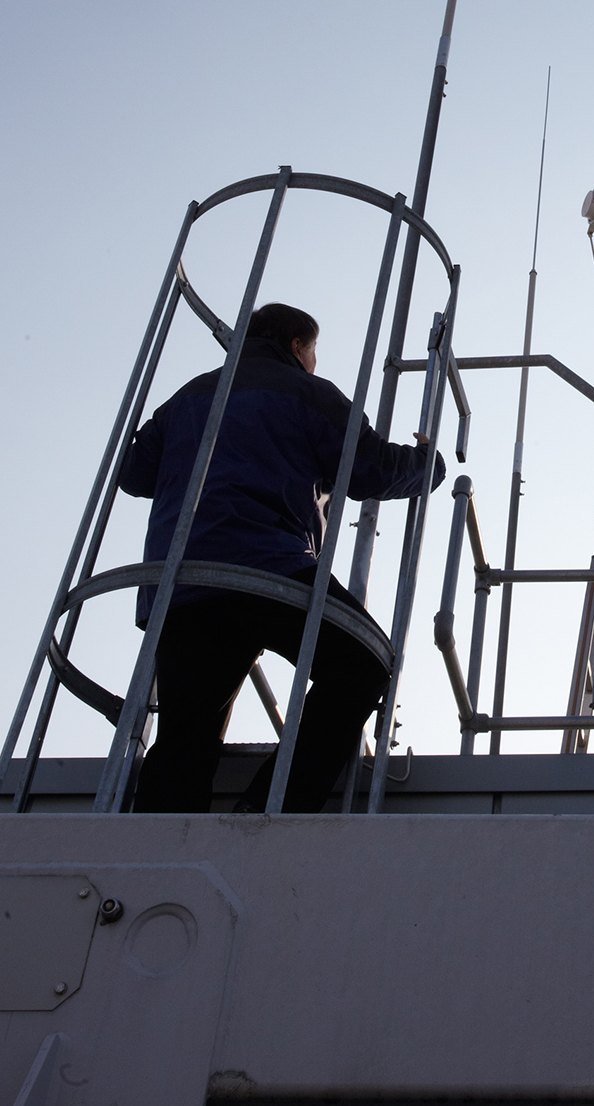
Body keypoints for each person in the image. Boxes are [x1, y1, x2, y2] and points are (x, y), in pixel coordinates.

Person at [118, 301, 443, 813]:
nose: (315, 360)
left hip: (179, 584)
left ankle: (155, 859)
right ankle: (272, 810)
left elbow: (134, 473)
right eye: (314, 350)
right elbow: (370, 469)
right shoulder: (308, 393)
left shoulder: (189, 395)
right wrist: (427, 463)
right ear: (297, 346)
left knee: (186, 736)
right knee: (364, 663)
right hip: (267, 566)